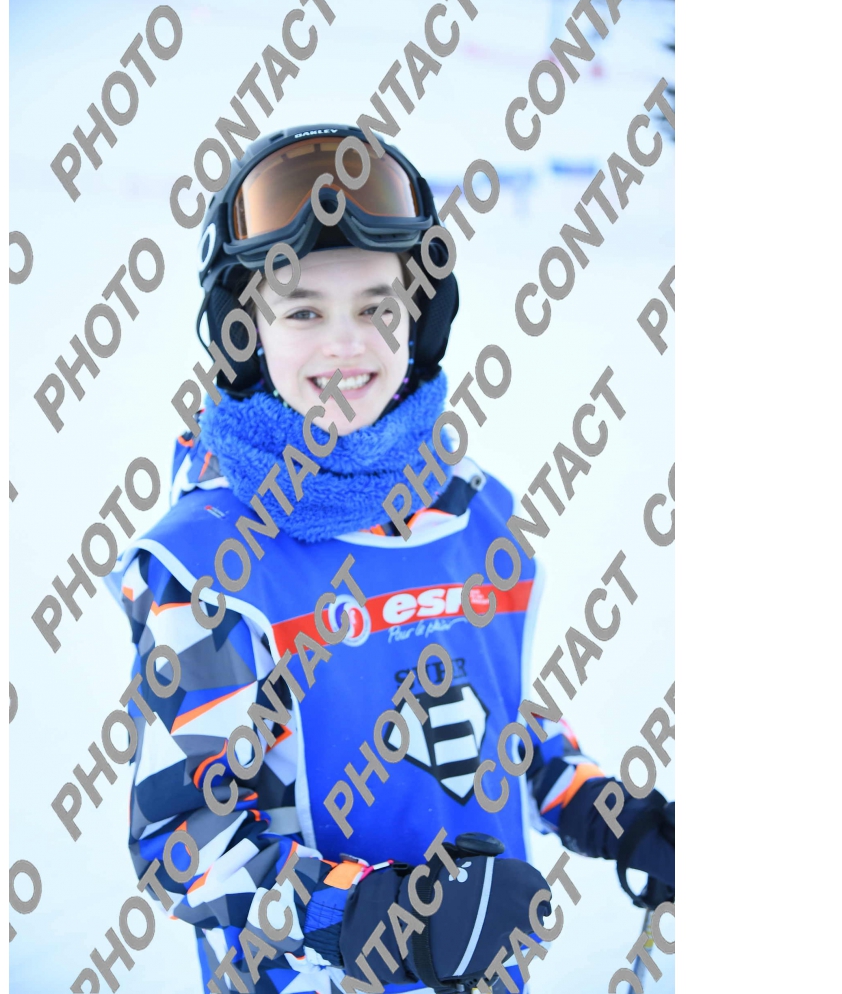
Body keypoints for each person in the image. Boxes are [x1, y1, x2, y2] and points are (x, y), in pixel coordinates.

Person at [108, 125, 674, 994]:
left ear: (421, 321)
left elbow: (493, 725)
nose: (347, 345)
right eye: (303, 311)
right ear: (243, 332)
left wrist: (617, 817)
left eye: (378, 307)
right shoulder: (214, 565)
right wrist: (375, 917)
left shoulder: (470, 516)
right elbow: (186, 839)